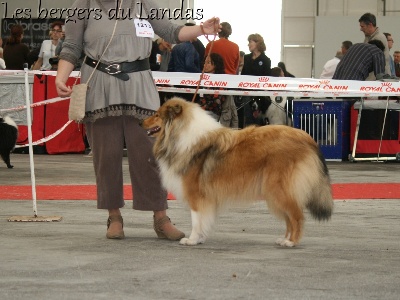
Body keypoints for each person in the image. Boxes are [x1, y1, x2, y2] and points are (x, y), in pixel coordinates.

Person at [55, 0, 220, 240]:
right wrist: (61, 77)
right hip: (99, 85)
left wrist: (201, 29)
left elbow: (172, 31)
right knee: (106, 155)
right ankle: (114, 216)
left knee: (150, 153)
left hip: (139, 86)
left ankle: (161, 217)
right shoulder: (82, 5)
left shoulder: (142, 3)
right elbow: (71, 46)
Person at [197, 53, 238, 127]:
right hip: (202, 113)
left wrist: (200, 109)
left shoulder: (220, 81)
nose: (205, 65)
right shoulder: (201, 78)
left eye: (208, 62)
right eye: (204, 62)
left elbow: (217, 102)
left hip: (214, 115)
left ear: (215, 64)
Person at [240, 33, 271, 127]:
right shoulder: (247, 58)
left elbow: (267, 78)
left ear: (257, 43)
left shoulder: (266, 60)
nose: (248, 44)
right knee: (247, 120)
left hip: (260, 95)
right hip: (247, 94)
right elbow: (243, 74)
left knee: (258, 121)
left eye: (250, 42)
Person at [358, 12, 391, 78]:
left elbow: (371, 60)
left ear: (370, 25)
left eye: (362, 26)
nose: (361, 29)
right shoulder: (368, 37)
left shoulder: (379, 38)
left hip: (376, 78)